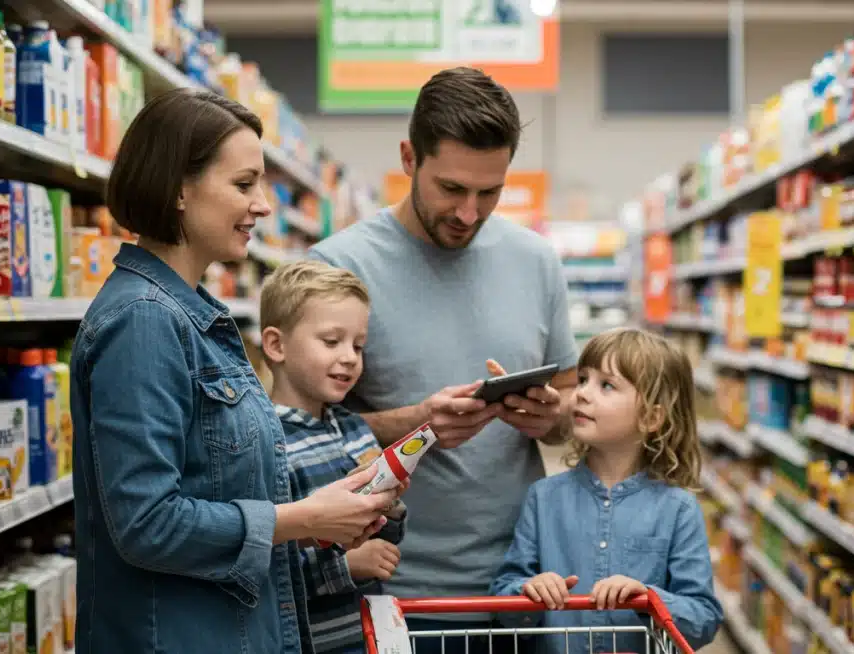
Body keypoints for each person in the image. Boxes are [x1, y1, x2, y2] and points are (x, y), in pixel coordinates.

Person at [70, 88, 398, 654]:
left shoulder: (192, 316)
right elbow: (147, 523)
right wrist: (298, 518)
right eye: (244, 184)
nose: (264, 204)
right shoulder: (144, 322)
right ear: (179, 188)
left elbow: (217, 482)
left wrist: (325, 508)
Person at [309, 66, 578, 652]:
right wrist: (414, 424)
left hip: (525, 586)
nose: (469, 212)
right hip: (389, 589)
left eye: (490, 192)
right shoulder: (336, 268)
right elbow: (292, 435)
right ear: (409, 157)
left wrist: (550, 418)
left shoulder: (536, 261)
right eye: (451, 188)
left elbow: (572, 404)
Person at [489, 328, 724, 653]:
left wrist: (648, 599)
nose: (582, 394)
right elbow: (503, 599)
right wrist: (529, 593)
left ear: (651, 417)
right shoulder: (543, 498)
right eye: (583, 379)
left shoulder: (678, 509)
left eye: (607, 385)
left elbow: (703, 617)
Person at [259, 260, 408, 654]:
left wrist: (389, 505)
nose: (349, 357)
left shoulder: (355, 429)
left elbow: (385, 541)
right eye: (331, 341)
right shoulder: (264, 443)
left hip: (370, 635)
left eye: (357, 345)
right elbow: (262, 566)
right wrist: (347, 566)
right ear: (276, 345)